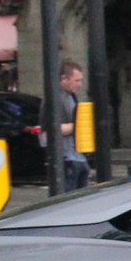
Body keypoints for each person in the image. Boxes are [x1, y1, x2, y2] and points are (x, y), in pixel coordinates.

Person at [56, 61, 93, 193]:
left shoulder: (71, 96)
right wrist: (80, 125)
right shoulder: (55, 98)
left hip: (77, 155)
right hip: (68, 157)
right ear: (64, 78)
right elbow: (53, 128)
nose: (79, 84)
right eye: (76, 80)